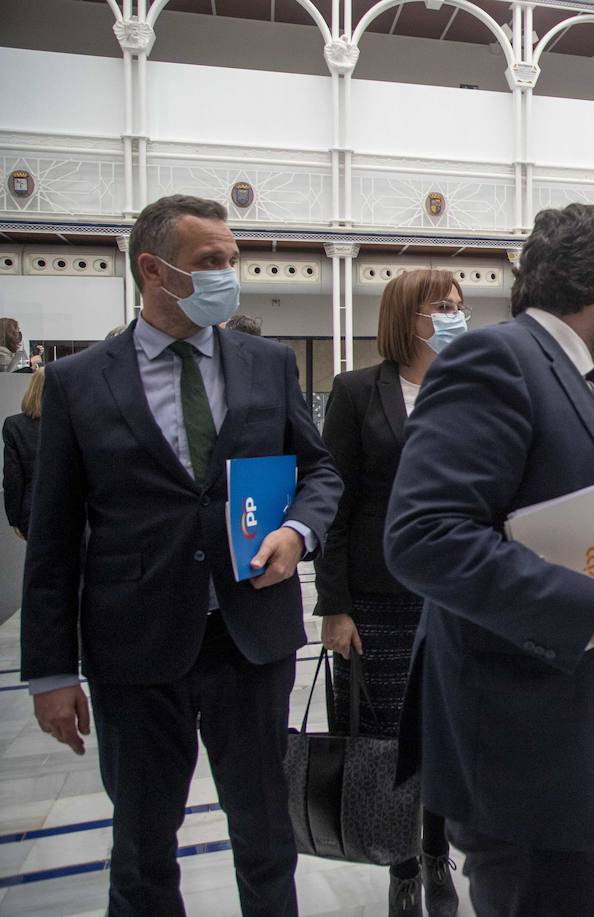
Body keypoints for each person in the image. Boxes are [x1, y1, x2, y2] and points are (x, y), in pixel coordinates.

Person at [20, 194, 342, 917]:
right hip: (133, 646)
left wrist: (298, 531)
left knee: (266, 838)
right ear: (153, 271)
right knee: (141, 845)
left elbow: (318, 470)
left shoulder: (265, 363)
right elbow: (56, 534)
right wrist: (49, 671)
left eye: (232, 260)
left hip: (249, 638)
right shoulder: (81, 382)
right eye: (210, 262)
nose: (229, 274)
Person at [384, 203, 594, 917]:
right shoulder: (497, 358)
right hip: (530, 758)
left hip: (580, 745)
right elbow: (424, 534)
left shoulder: (583, 379)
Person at [315, 268, 465, 917]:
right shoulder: (356, 393)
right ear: (409, 317)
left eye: (461, 306)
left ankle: (435, 848)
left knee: (442, 729)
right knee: (384, 737)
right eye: (443, 306)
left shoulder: (466, 389)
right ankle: (400, 862)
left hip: (450, 592)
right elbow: (334, 503)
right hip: (377, 598)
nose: (456, 316)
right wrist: (334, 605)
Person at [3, 367, 42, 539]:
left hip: (33, 510)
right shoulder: (75, 422)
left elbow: (13, 478)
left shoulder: (14, 425)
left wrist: (14, 518)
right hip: (74, 510)